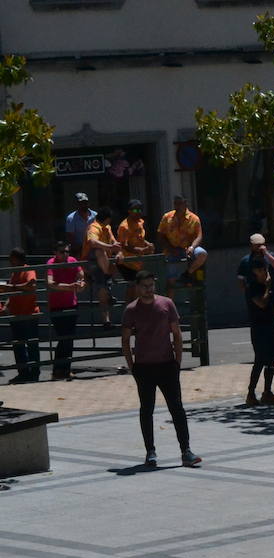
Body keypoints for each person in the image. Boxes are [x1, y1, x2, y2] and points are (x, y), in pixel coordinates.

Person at [121, 270, 200, 467]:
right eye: (145, 286)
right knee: (146, 410)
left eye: (151, 285)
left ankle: (186, 451)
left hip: (167, 366)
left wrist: (177, 362)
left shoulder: (166, 304)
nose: (149, 290)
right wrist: (133, 367)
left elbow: (177, 334)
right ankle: (150, 452)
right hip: (144, 368)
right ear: (137, 287)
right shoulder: (131, 310)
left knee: (177, 409)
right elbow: (125, 340)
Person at [243, 258, 274, 406]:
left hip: (272, 324)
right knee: (260, 359)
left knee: (272, 359)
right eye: (260, 270)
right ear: (254, 272)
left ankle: (267, 392)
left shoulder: (272, 284)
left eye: (265, 269)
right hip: (259, 327)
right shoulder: (252, 287)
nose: (264, 273)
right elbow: (262, 303)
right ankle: (251, 393)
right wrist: (267, 287)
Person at [45, 240, 85, 381]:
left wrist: (81, 282)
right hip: (57, 306)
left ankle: (66, 370)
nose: (66, 254)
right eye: (62, 251)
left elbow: (81, 274)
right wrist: (69, 287)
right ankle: (57, 370)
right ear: (55, 252)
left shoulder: (72, 260)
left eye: (67, 251)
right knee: (63, 338)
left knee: (69, 338)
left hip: (71, 304)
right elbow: (50, 283)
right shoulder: (51, 263)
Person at [0, 249, 41, 382]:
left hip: (28, 313)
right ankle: (23, 373)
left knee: (31, 344)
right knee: (18, 345)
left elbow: (31, 285)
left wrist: (12, 287)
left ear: (18, 259)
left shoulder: (28, 270)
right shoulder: (15, 272)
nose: (11, 261)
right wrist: (6, 306)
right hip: (16, 313)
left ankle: (34, 373)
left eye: (12, 258)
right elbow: (13, 291)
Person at [156, 194, 209, 287]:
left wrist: (192, 247)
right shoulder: (167, 217)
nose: (177, 206)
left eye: (180, 204)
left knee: (202, 254)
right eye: (175, 204)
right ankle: (170, 300)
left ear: (185, 204)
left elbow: (199, 236)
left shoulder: (194, 219)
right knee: (171, 280)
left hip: (188, 249)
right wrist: (170, 248)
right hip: (171, 250)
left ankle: (188, 274)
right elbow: (160, 235)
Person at [82, 207, 120, 326]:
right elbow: (92, 242)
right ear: (107, 219)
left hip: (105, 263)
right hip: (91, 262)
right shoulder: (93, 227)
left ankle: (106, 321)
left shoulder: (107, 228)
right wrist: (109, 248)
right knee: (100, 250)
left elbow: (114, 242)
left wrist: (118, 251)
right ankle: (108, 276)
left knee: (102, 289)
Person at [116, 199, 155, 282]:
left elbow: (140, 238)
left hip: (138, 262)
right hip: (127, 263)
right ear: (129, 211)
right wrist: (142, 250)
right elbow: (125, 246)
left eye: (140, 209)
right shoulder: (124, 226)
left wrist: (148, 245)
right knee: (132, 286)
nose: (138, 212)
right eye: (135, 210)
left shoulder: (140, 222)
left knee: (139, 287)